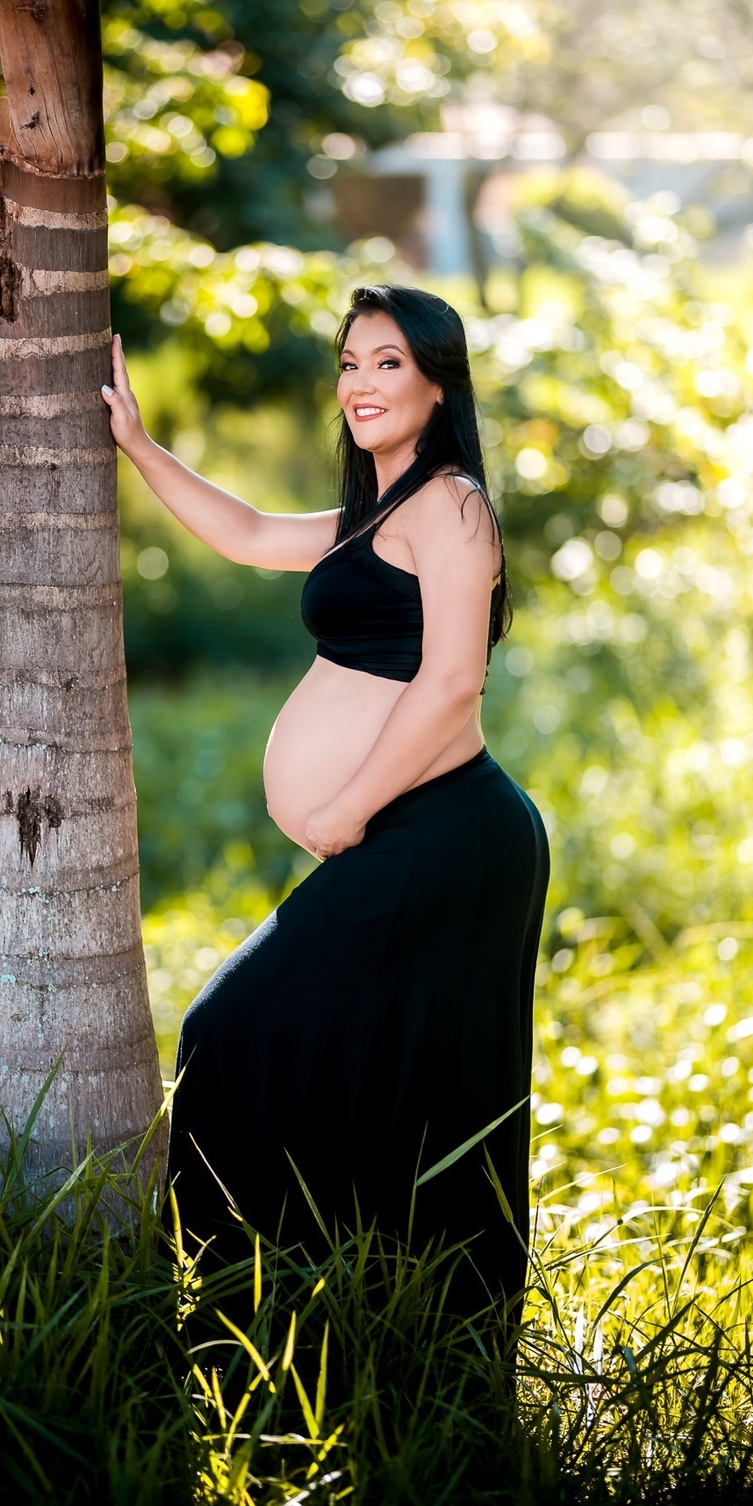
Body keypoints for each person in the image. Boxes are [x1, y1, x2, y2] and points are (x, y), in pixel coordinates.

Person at [100, 284, 550, 1322]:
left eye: (388, 362)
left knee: (238, 1027)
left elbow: (451, 682)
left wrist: (346, 808)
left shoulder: (453, 505)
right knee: (363, 1069)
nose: (361, 384)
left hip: (444, 832)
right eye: (350, 363)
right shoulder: (376, 514)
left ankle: (275, 1315)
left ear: (439, 382)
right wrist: (140, 445)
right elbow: (253, 532)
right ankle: (305, 1317)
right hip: (410, 831)